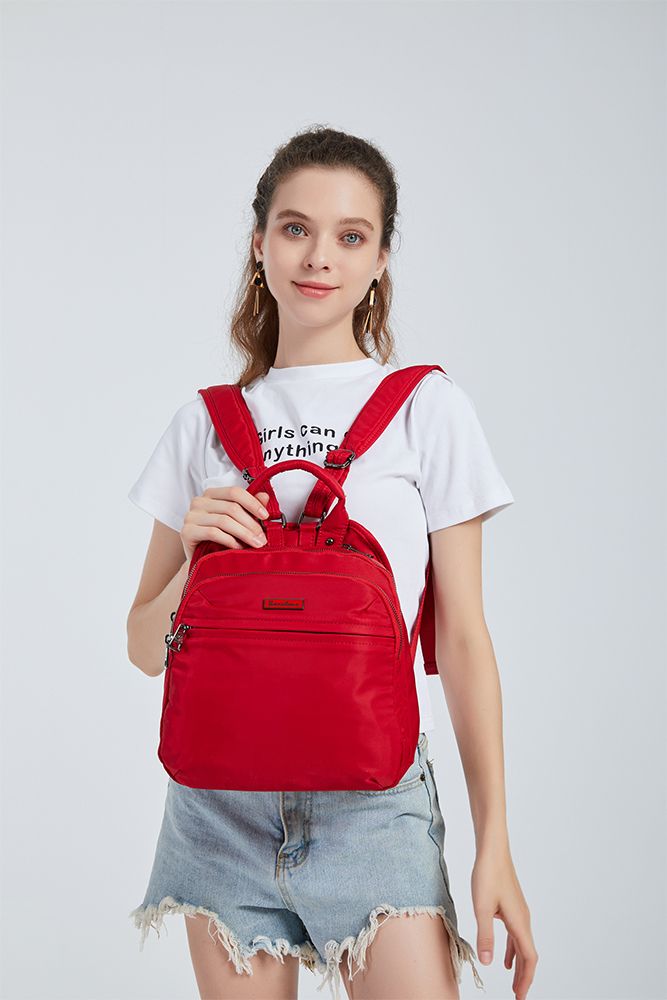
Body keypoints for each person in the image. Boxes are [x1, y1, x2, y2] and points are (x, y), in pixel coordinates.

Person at [126, 125, 538, 1000]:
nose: (319, 257)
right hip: (217, 808)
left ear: (381, 258)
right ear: (258, 242)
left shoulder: (426, 408)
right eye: (295, 228)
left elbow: (461, 639)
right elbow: (141, 644)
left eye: (351, 236)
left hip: (374, 805)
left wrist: (493, 842)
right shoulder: (203, 423)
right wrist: (195, 562)